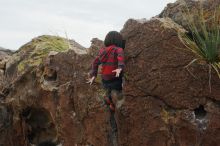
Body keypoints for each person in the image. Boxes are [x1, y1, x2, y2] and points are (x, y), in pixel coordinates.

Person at [87, 31, 125, 112]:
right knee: (119, 88)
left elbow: (95, 62)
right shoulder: (119, 49)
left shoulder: (103, 51)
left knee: (108, 89)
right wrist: (120, 67)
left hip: (104, 78)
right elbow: (120, 58)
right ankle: (112, 102)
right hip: (114, 77)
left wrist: (94, 75)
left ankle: (109, 100)